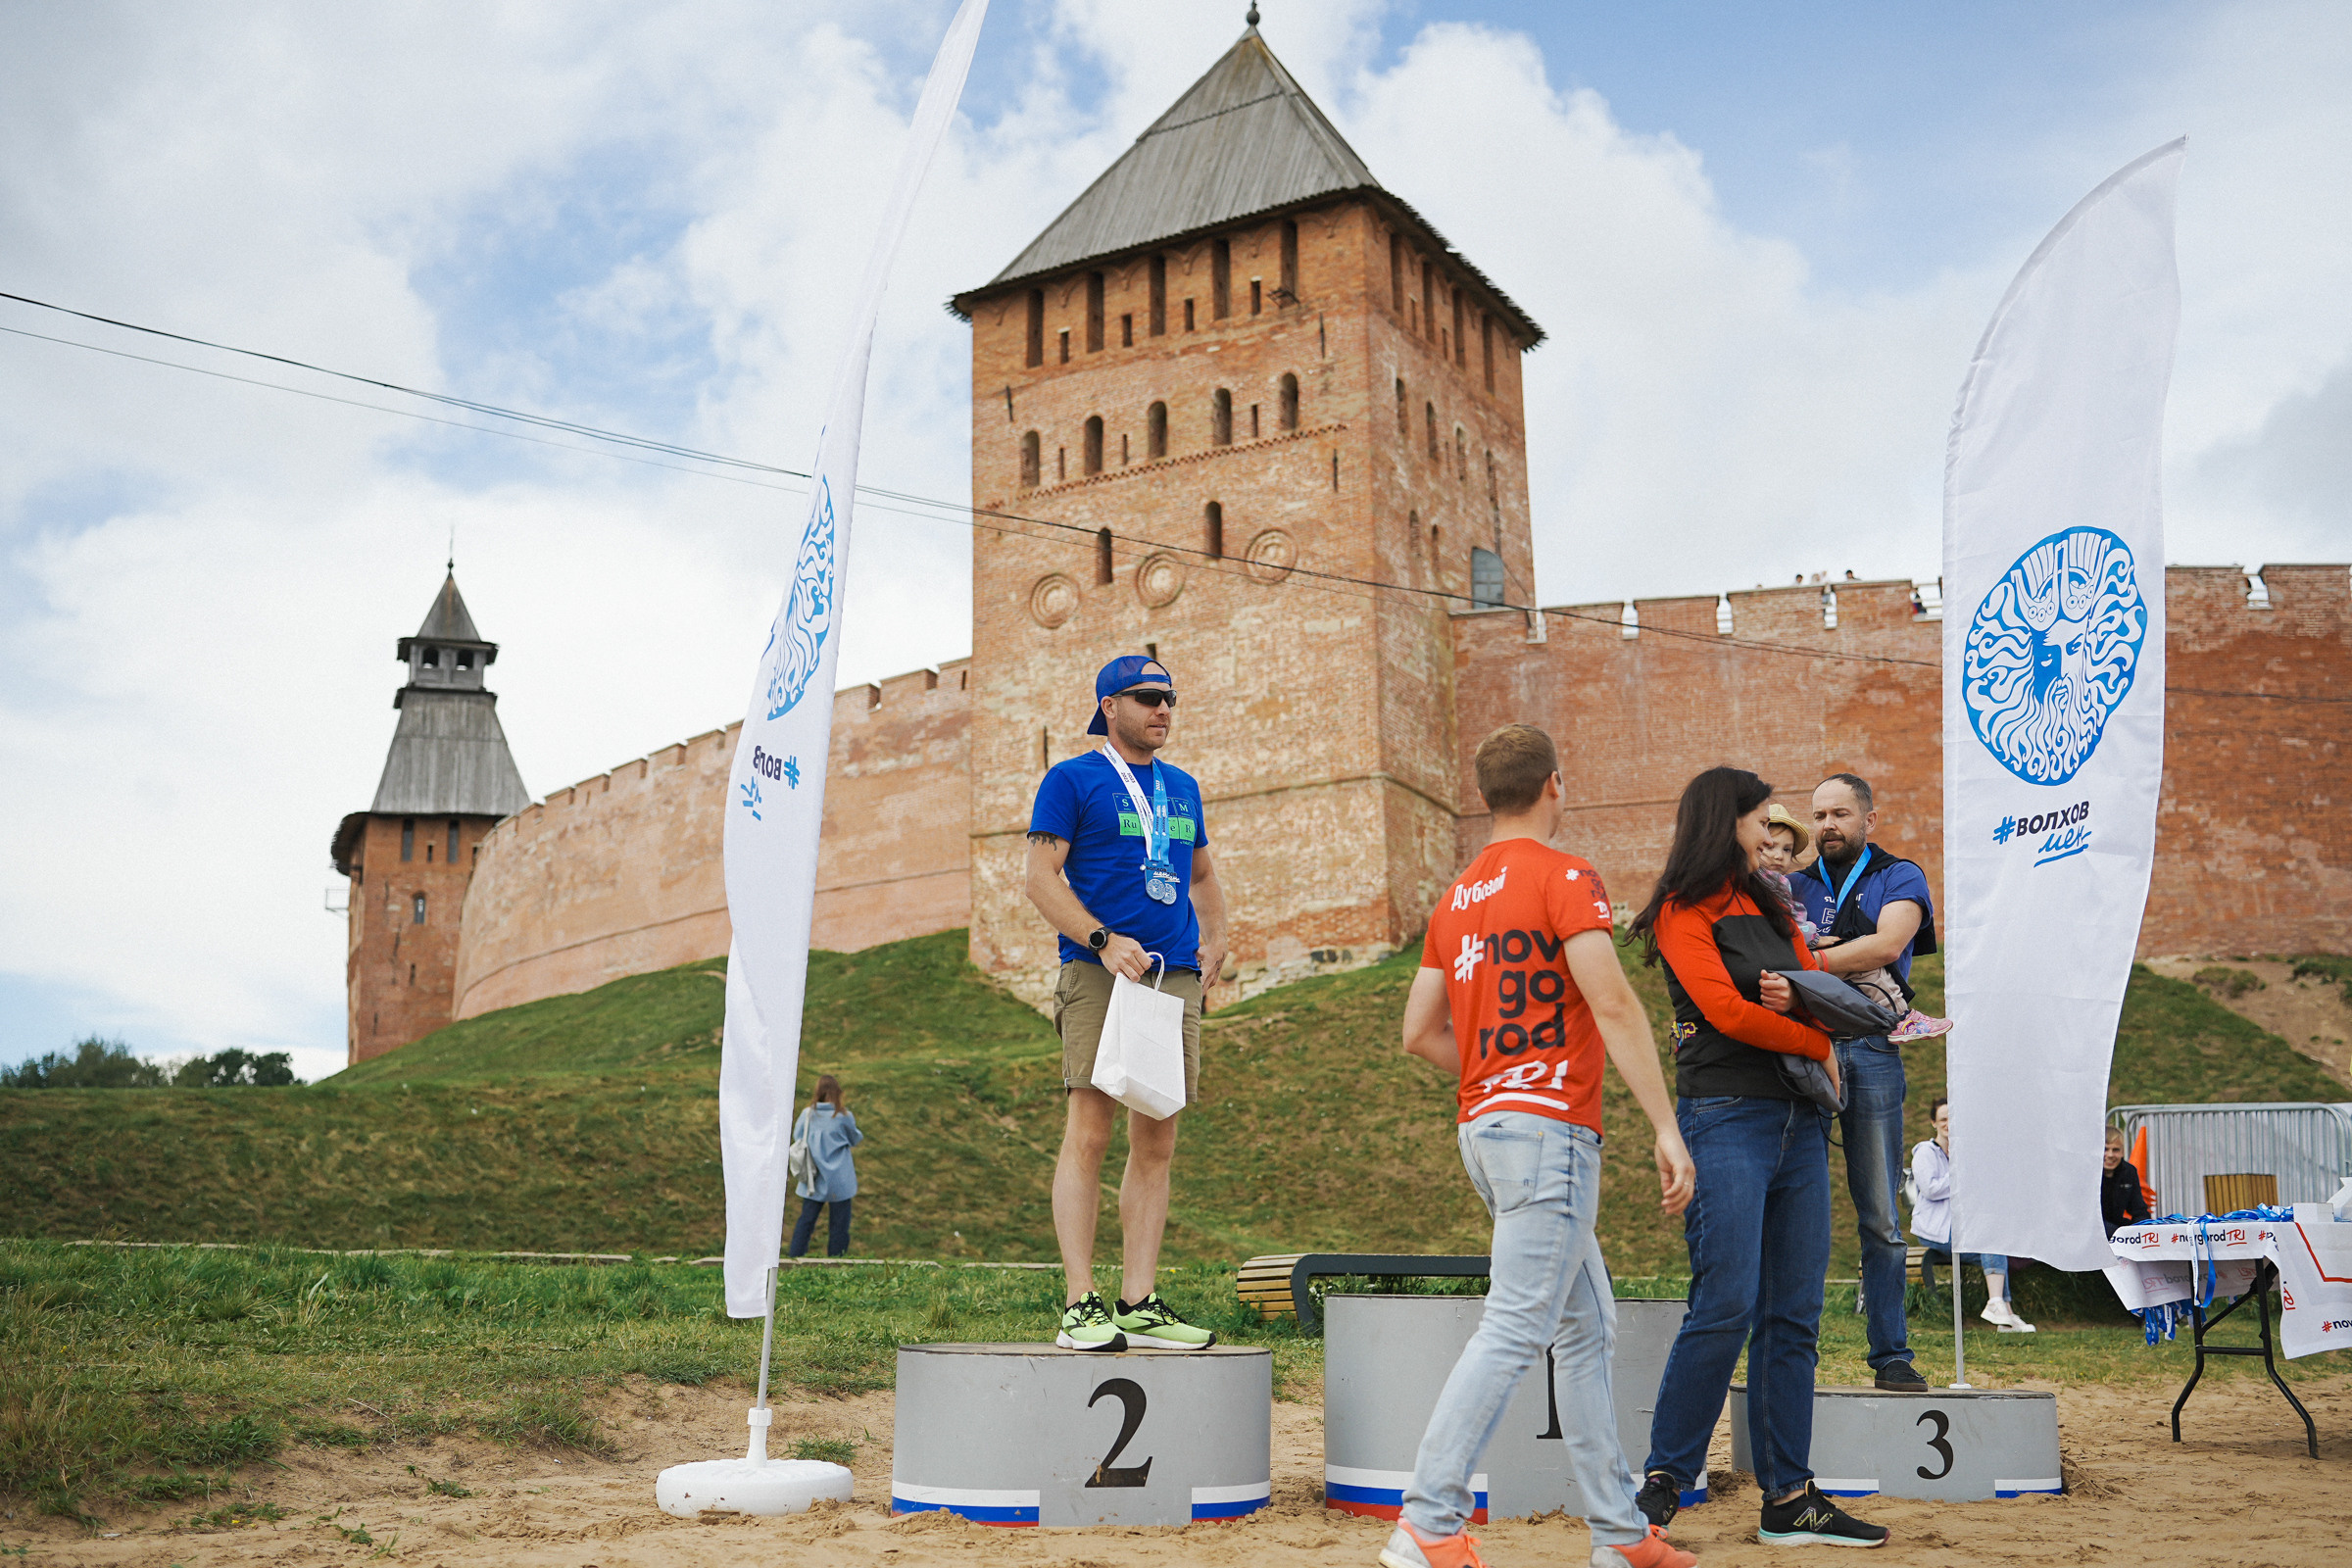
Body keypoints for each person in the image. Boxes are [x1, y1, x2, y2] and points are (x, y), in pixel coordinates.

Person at [1383, 725, 1697, 1568]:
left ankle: (1621, 1534)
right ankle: (1428, 1519)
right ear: (1555, 784)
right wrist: (1667, 1129)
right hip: (1548, 1126)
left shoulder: (1454, 898)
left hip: (1487, 1126)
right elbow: (1617, 1004)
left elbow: (1419, 1032)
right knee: (1516, 1327)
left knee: (1587, 1328)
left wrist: (1498, 1068)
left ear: (1487, 796)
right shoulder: (1565, 877)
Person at [1632, 766, 1889, 1549]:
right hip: (1724, 1115)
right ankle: (1661, 1487)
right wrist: (1818, 1039)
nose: (1770, 831)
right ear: (1727, 822)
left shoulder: (1773, 901)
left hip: (1799, 1122)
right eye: (1758, 819)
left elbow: (1808, 984)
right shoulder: (1682, 908)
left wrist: (1812, 1010)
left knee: (1793, 1316)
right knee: (1725, 1304)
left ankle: (1791, 1497)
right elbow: (1722, 1012)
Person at [1025, 655, 1228, 1352]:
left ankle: (1138, 1300)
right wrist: (1101, 938)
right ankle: (1081, 1303)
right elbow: (1039, 879)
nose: (1162, 709)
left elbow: (1200, 875)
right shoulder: (1073, 779)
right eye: (1147, 697)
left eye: (1170, 696)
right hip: (1099, 970)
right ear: (1110, 706)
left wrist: (1218, 937)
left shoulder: (1183, 788)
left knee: (1158, 1139)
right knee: (1090, 1130)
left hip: (1171, 979)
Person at [1789, 772, 1937, 1394]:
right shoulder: (1791, 882)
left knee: (1879, 1214)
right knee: (1794, 1213)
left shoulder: (1900, 875)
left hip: (1874, 1051)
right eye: (1819, 815)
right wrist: (1835, 948)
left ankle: (1891, 1356)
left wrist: (1812, 957)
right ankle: (1793, 1357)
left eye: (1841, 814)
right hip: (1803, 1049)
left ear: (1868, 820)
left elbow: (1888, 944)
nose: (1828, 825)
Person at [1756, 808, 1948, 1044]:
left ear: (1869, 820)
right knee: (1867, 968)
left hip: (1797, 998)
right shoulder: (1771, 883)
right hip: (1786, 962)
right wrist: (1815, 940)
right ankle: (1902, 1018)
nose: (1778, 856)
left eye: (1786, 849)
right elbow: (1785, 924)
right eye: (1770, 847)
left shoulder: (1763, 881)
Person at [1909, 1098, 2035, 1331]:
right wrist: (1962, 1175)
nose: (1948, 1123)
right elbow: (1931, 1189)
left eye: (1952, 1119)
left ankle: (2004, 1313)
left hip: (1962, 1227)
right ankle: (1997, 1306)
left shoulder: (1964, 1153)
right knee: (1988, 1241)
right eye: (1943, 1119)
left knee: (1997, 1249)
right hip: (1934, 1230)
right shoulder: (1925, 1152)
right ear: (1933, 1123)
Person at [788, 1075, 861, 1258]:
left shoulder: (807, 1114)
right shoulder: (843, 1116)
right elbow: (855, 1138)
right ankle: (836, 1262)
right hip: (840, 1179)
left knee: (806, 1220)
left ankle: (795, 1258)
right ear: (838, 1092)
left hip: (814, 1177)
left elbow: (798, 1136)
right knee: (839, 1225)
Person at [2102, 1125, 2152, 1237]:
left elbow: (2140, 1211)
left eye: (2115, 1150)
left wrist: (2141, 1231)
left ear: (2123, 1152)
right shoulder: (2090, 1173)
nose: (2110, 1155)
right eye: (2105, 1149)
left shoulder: (2129, 1172)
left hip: (2118, 1229)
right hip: (2095, 1230)